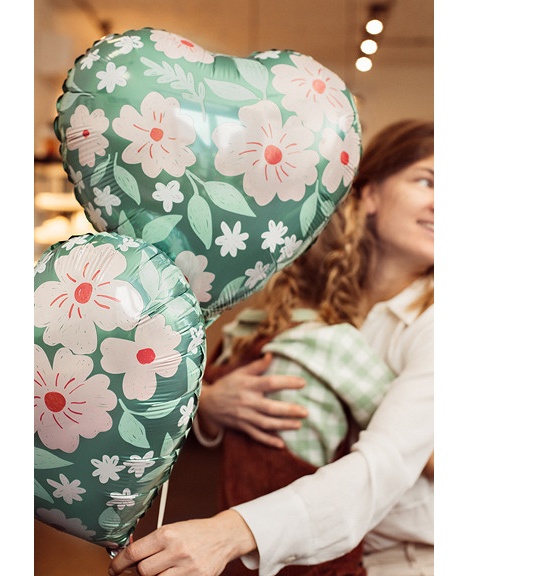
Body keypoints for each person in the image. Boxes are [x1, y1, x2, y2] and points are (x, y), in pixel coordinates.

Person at [107, 119, 434, 576]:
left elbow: (385, 465)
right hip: (307, 554)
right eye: (428, 180)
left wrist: (230, 532)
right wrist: (211, 403)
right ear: (370, 193)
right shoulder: (317, 300)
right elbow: (231, 376)